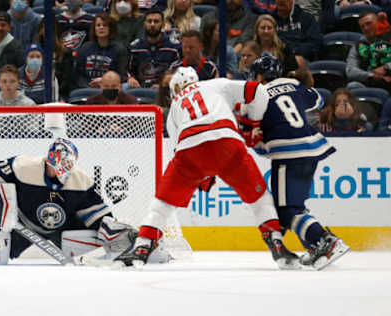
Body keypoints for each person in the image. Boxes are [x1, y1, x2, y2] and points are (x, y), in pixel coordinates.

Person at [115, 66, 301, 269]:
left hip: (190, 148)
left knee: (163, 203)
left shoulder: (175, 106)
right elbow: (258, 90)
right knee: (259, 199)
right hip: (226, 141)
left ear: (174, 90)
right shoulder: (216, 84)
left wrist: (202, 175)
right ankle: (276, 242)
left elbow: (178, 149)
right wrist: (254, 122)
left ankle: (142, 245)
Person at [0, 138, 141, 264]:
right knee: (0, 254)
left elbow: (96, 214)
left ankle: (132, 247)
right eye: (57, 167)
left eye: (66, 168)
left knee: (95, 244)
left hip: (64, 230)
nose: (61, 173)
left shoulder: (80, 180)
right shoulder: (23, 166)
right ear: (49, 160)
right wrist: (2, 205)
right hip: (23, 225)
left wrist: (111, 230)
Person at [247, 54, 350, 270]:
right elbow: (318, 99)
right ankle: (315, 246)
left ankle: (326, 241)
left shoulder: (260, 94)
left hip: (287, 154)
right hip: (311, 149)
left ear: (259, 76)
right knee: (294, 206)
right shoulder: (293, 85)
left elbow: (254, 129)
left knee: (287, 211)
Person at [127, 9, 181, 89]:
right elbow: (128, 69)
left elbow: (178, 71)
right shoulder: (134, 47)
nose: (152, 24)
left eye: (156, 21)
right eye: (149, 21)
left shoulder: (174, 47)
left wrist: (164, 84)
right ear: (144, 24)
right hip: (140, 88)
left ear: (162, 25)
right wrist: (130, 78)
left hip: (165, 88)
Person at [76, 13, 128, 89]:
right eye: (98, 25)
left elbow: (122, 75)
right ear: (94, 28)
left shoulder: (119, 49)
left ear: (111, 28)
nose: (101, 27)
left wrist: (104, 82)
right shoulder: (85, 47)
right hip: (87, 88)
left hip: (111, 88)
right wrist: (87, 86)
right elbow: (79, 75)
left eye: (104, 25)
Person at [346, 11, 391, 93]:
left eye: (369, 23)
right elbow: (350, 70)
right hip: (371, 82)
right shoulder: (359, 45)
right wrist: (373, 75)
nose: (366, 28)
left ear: (378, 22)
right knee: (353, 86)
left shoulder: (389, 37)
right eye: (362, 27)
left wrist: (386, 67)